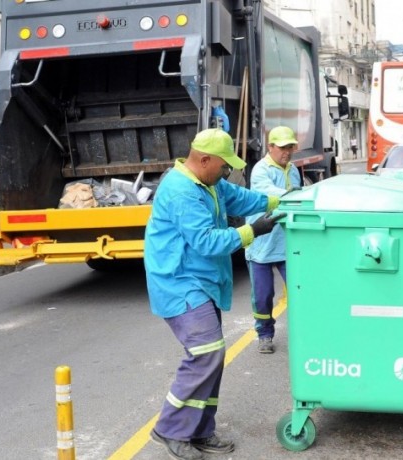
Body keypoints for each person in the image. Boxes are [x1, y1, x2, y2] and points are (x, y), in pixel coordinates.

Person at [145, 128, 285, 459]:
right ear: (204, 159)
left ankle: (198, 430)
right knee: (206, 352)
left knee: (212, 357)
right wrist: (253, 230)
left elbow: (242, 197)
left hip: (201, 281)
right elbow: (206, 241)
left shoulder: (209, 183)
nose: (228, 172)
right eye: (224, 166)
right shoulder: (182, 192)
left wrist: (282, 200)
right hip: (179, 283)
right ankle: (170, 430)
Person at [246, 126, 302, 354]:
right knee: (263, 296)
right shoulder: (261, 171)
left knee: (301, 291)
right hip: (261, 245)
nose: (287, 152)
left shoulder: (293, 169)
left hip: (287, 244)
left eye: (290, 147)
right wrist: (298, 195)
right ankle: (265, 334)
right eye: (282, 148)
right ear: (270, 147)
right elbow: (271, 194)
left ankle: (305, 332)